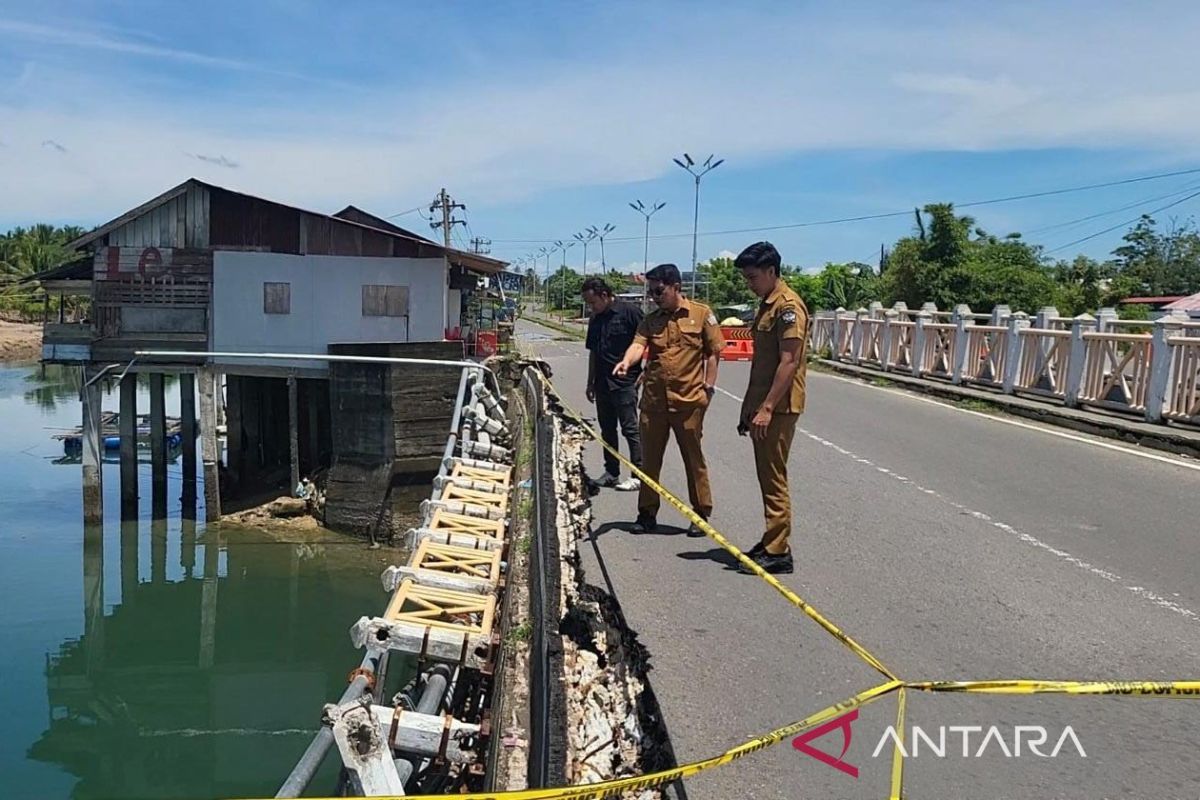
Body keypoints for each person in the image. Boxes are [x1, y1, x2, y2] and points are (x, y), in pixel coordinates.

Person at [613, 263, 724, 534]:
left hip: (688, 401)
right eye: (651, 292)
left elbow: (713, 352)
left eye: (659, 291)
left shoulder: (701, 314)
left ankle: (700, 514)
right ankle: (646, 514)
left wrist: (708, 387)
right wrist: (627, 362)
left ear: (676, 287)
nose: (654, 296)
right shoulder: (651, 320)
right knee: (650, 460)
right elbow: (638, 344)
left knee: (693, 459)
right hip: (654, 402)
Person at [734, 241, 809, 574]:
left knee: (774, 476)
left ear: (771, 271)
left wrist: (765, 408)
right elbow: (760, 367)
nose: (749, 283)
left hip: (778, 408)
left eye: (753, 277)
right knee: (767, 475)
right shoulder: (767, 304)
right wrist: (748, 409)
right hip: (764, 405)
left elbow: (788, 362)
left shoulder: (788, 307)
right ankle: (771, 541)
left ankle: (778, 550)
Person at [583, 277, 643, 491]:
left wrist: (643, 373)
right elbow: (593, 352)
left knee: (630, 429)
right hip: (602, 383)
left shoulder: (629, 312)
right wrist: (590, 381)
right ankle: (611, 472)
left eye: (593, 302)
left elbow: (647, 342)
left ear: (605, 295)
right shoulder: (595, 319)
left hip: (625, 382)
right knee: (607, 429)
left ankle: (638, 474)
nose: (592, 307)